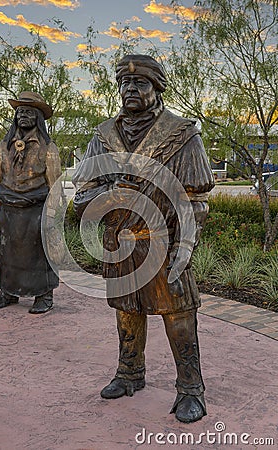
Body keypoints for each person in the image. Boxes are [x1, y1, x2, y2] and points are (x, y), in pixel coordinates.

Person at [72, 55, 214, 423]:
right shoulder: (103, 137)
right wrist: (110, 196)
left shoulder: (183, 135)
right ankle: (129, 373)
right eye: (124, 84)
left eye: (140, 84)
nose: (130, 90)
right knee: (126, 310)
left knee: (178, 313)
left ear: (157, 88)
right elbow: (83, 193)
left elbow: (196, 198)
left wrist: (183, 242)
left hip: (164, 242)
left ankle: (191, 389)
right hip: (120, 241)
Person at [0, 91, 61, 314]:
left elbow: (54, 183)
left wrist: (52, 214)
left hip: (36, 207)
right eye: (20, 112)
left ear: (38, 116)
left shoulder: (48, 148)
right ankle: (8, 292)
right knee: (8, 253)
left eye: (29, 112)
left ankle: (44, 296)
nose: (23, 116)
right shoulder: (4, 146)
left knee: (40, 254)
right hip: (9, 208)